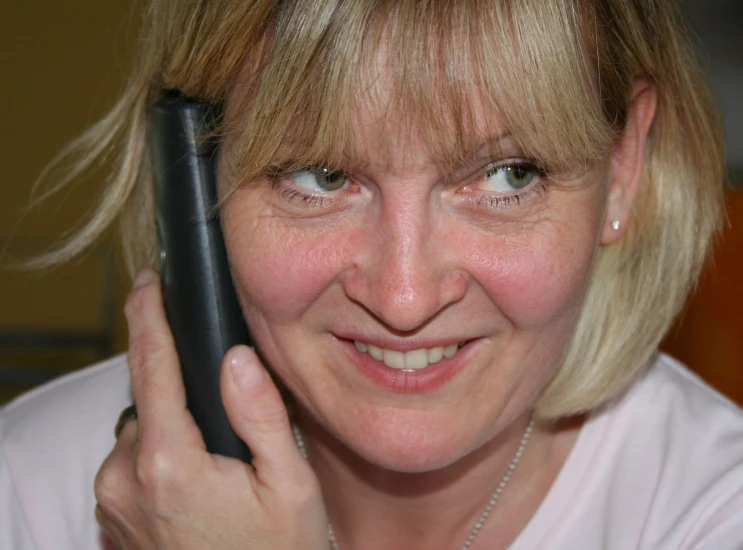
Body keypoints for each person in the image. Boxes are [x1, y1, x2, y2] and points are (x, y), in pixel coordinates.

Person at [2, 0, 742, 548]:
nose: (405, 297)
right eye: (321, 176)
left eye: (505, 175)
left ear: (622, 169)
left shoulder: (711, 513)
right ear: (192, 174)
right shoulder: (31, 492)